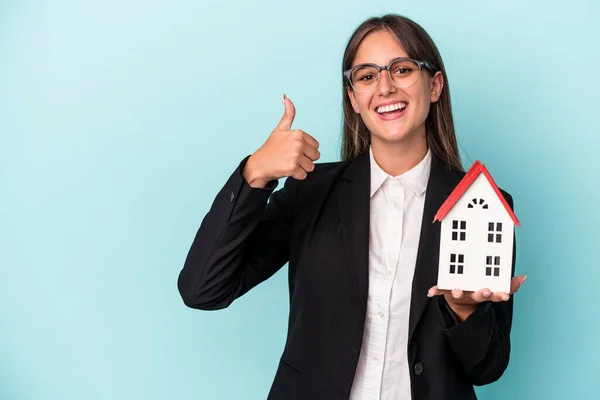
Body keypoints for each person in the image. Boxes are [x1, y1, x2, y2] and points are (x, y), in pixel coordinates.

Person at [177, 13, 526, 400]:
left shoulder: (480, 205)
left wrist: (464, 312)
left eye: (403, 69)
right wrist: (254, 172)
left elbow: (488, 368)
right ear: (353, 99)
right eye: (366, 76)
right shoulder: (308, 193)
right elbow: (203, 290)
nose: (385, 87)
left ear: (435, 85)